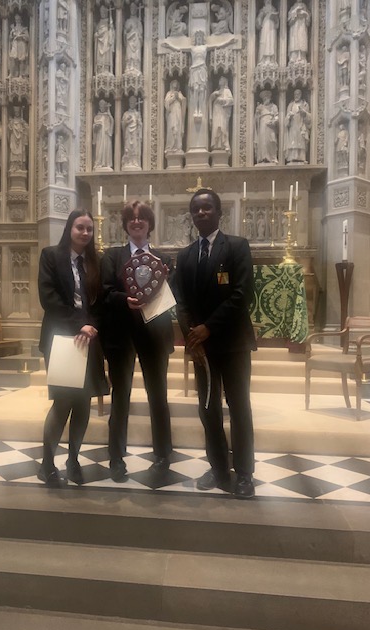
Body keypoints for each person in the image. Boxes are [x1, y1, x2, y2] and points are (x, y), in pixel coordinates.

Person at [174, 188, 256, 499]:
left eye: (207, 208)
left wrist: (209, 327)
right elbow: (180, 300)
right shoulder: (185, 255)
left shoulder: (237, 247)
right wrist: (192, 335)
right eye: (196, 209)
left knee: (239, 408)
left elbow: (242, 295)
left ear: (219, 212)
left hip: (232, 343)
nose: (201, 213)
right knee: (208, 409)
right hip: (202, 348)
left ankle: (245, 473)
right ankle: (219, 467)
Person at [101, 201, 174, 482]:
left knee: (159, 398)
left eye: (142, 217)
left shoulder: (163, 260)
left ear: (150, 223)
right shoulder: (112, 256)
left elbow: (172, 296)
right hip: (121, 335)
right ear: (125, 224)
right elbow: (105, 292)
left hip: (155, 337)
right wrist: (125, 300)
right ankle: (116, 458)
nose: (136, 221)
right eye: (131, 218)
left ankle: (162, 455)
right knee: (121, 398)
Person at [37, 209, 108, 486]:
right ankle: (47, 463)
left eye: (89, 229)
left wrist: (92, 327)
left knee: (83, 405)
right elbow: (49, 298)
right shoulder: (51, 256)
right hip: (62, 339)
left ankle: (73, 459)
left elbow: (99, 302)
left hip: (88, 340)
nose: (85, 233)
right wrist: (79, 324)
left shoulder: (95, 262)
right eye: (80, 227)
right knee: (63, 403)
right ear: (70, 228)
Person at [284, 88, 311, 164]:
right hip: (292, 126)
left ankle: (301, 158)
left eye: (298, 94)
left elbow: (309, 117)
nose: (297, 96)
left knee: (301, 141)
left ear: (301, 95)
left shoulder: (305, 104)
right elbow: (286, 119)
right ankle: (292, 157)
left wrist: (304, 113)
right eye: (295, 94)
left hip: (301, 125)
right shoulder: (290, 105)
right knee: (293, 141)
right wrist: (289, 116)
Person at [209, 76, 233, 152]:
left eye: (222, 79)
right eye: (219, 79)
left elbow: (231, 101)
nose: (220, 80)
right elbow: (210, 101)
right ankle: (216, 145)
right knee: (216, 127)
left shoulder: (227, 91)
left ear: (225, 82)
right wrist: (213, 95)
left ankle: (223, 144)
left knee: (223, 127)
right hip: (216, 111)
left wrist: (222, 100)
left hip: (223, 112)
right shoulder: (216, 91)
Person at [254, 89, 278, 164]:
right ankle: (263, 157)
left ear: (270, 98)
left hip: (271, 126)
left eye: (267, 97)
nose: (266, 99)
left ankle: (272, 157)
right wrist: (257, 113)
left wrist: (273, 121)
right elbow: (255, 120)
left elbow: (277, 116)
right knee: (263, 141)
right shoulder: (260, 107)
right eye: (264, 98)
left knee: (271, 140)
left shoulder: (274, 106)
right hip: (262, 126)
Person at [164, 79, 186, 153]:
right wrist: (173, 98)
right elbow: (166, 103)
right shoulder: (169, 93)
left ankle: (177, 146)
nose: (175, 85)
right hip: (171, 113)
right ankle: (170, 146)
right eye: (174, 83)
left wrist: (179, 98)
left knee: (177, 128)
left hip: (178, 113)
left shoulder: (179, 93)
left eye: (177, 83)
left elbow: (184, 103)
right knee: (172, 127)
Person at [121, 95, 142, 169]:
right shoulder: (126, 114)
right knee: (128, 147)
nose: (132, 104)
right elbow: (123, 124)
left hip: (135, 134)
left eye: (133, 102)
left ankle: (135, 162)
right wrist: (127, 121)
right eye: (131, 102)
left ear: (136, 103)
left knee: (135, 147)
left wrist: (139, 122)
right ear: (129, 103)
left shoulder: (137, 114)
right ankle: (128, 162)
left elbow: (140, 125)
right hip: (128, 134)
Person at [93, 99, 114, 170]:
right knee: (99, 150)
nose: (102, 107)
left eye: (103, 106)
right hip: (99, 136)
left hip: (106, 136)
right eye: (101, 106)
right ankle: (98, 163)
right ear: (99, 107)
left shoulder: (108, 116)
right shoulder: (97, 116)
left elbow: (112, 124)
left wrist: (110, 115)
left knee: (106, 148)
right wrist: (96, 126)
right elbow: (94, 128)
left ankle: (106, 163)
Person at [256, 0, 279, 65]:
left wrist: (275, 18)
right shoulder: (262, 10)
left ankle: (271, 59)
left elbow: (277, 22)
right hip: (265, 27)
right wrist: (262, 16)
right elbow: (258, 22)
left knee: (271, 42)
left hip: (272, 28)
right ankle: (264, 59)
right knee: (265, 42)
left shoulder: (274, 10)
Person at [94, 4, 115, 75]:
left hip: (106, 42)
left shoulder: (109, 22)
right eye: (101, 12)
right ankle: (100, 69)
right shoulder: (99, 23)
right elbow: (96, 31)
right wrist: (96, 35)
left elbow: (112, 33)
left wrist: (110, 30)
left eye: (104, 12)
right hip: (100, 44)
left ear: (106, 13)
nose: (102, 14)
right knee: (100, 57)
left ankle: (106, 69)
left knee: (106, 56)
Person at [124, 1, 143, 73]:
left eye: (134, 8)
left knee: (136, 55)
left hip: (136, 40)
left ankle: (136, 67)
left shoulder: (138, 20)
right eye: (131, 8)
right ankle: (129, 66)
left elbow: (141, 32)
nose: (133, 10)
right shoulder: (128, 21)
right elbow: (125, 31)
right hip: (129, 40)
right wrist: (128, 30)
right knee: (129, 55)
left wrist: (138, 32)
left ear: (136, 9)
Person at [8, 106, 29, 171]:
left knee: (21, 153)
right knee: (13, 153)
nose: (17, 113)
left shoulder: (22, 121)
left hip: (20, 140)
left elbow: (28, 130)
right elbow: (8, 130)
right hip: (13, 139)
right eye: (15, 112)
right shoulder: (12, 121)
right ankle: (13, 166)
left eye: (18, 112)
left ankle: (20, 166)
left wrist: (24, 125)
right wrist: (10, 126)